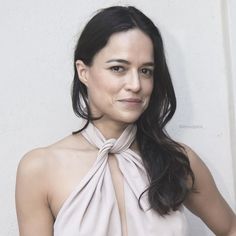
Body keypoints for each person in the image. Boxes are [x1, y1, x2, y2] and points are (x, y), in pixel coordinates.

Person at [15, 5, 236, 236]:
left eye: (146, 71)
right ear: (83, 72)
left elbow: (230, 227)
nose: (136, 84)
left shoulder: (178, 160)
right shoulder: (39, 169)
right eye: (118, 68)